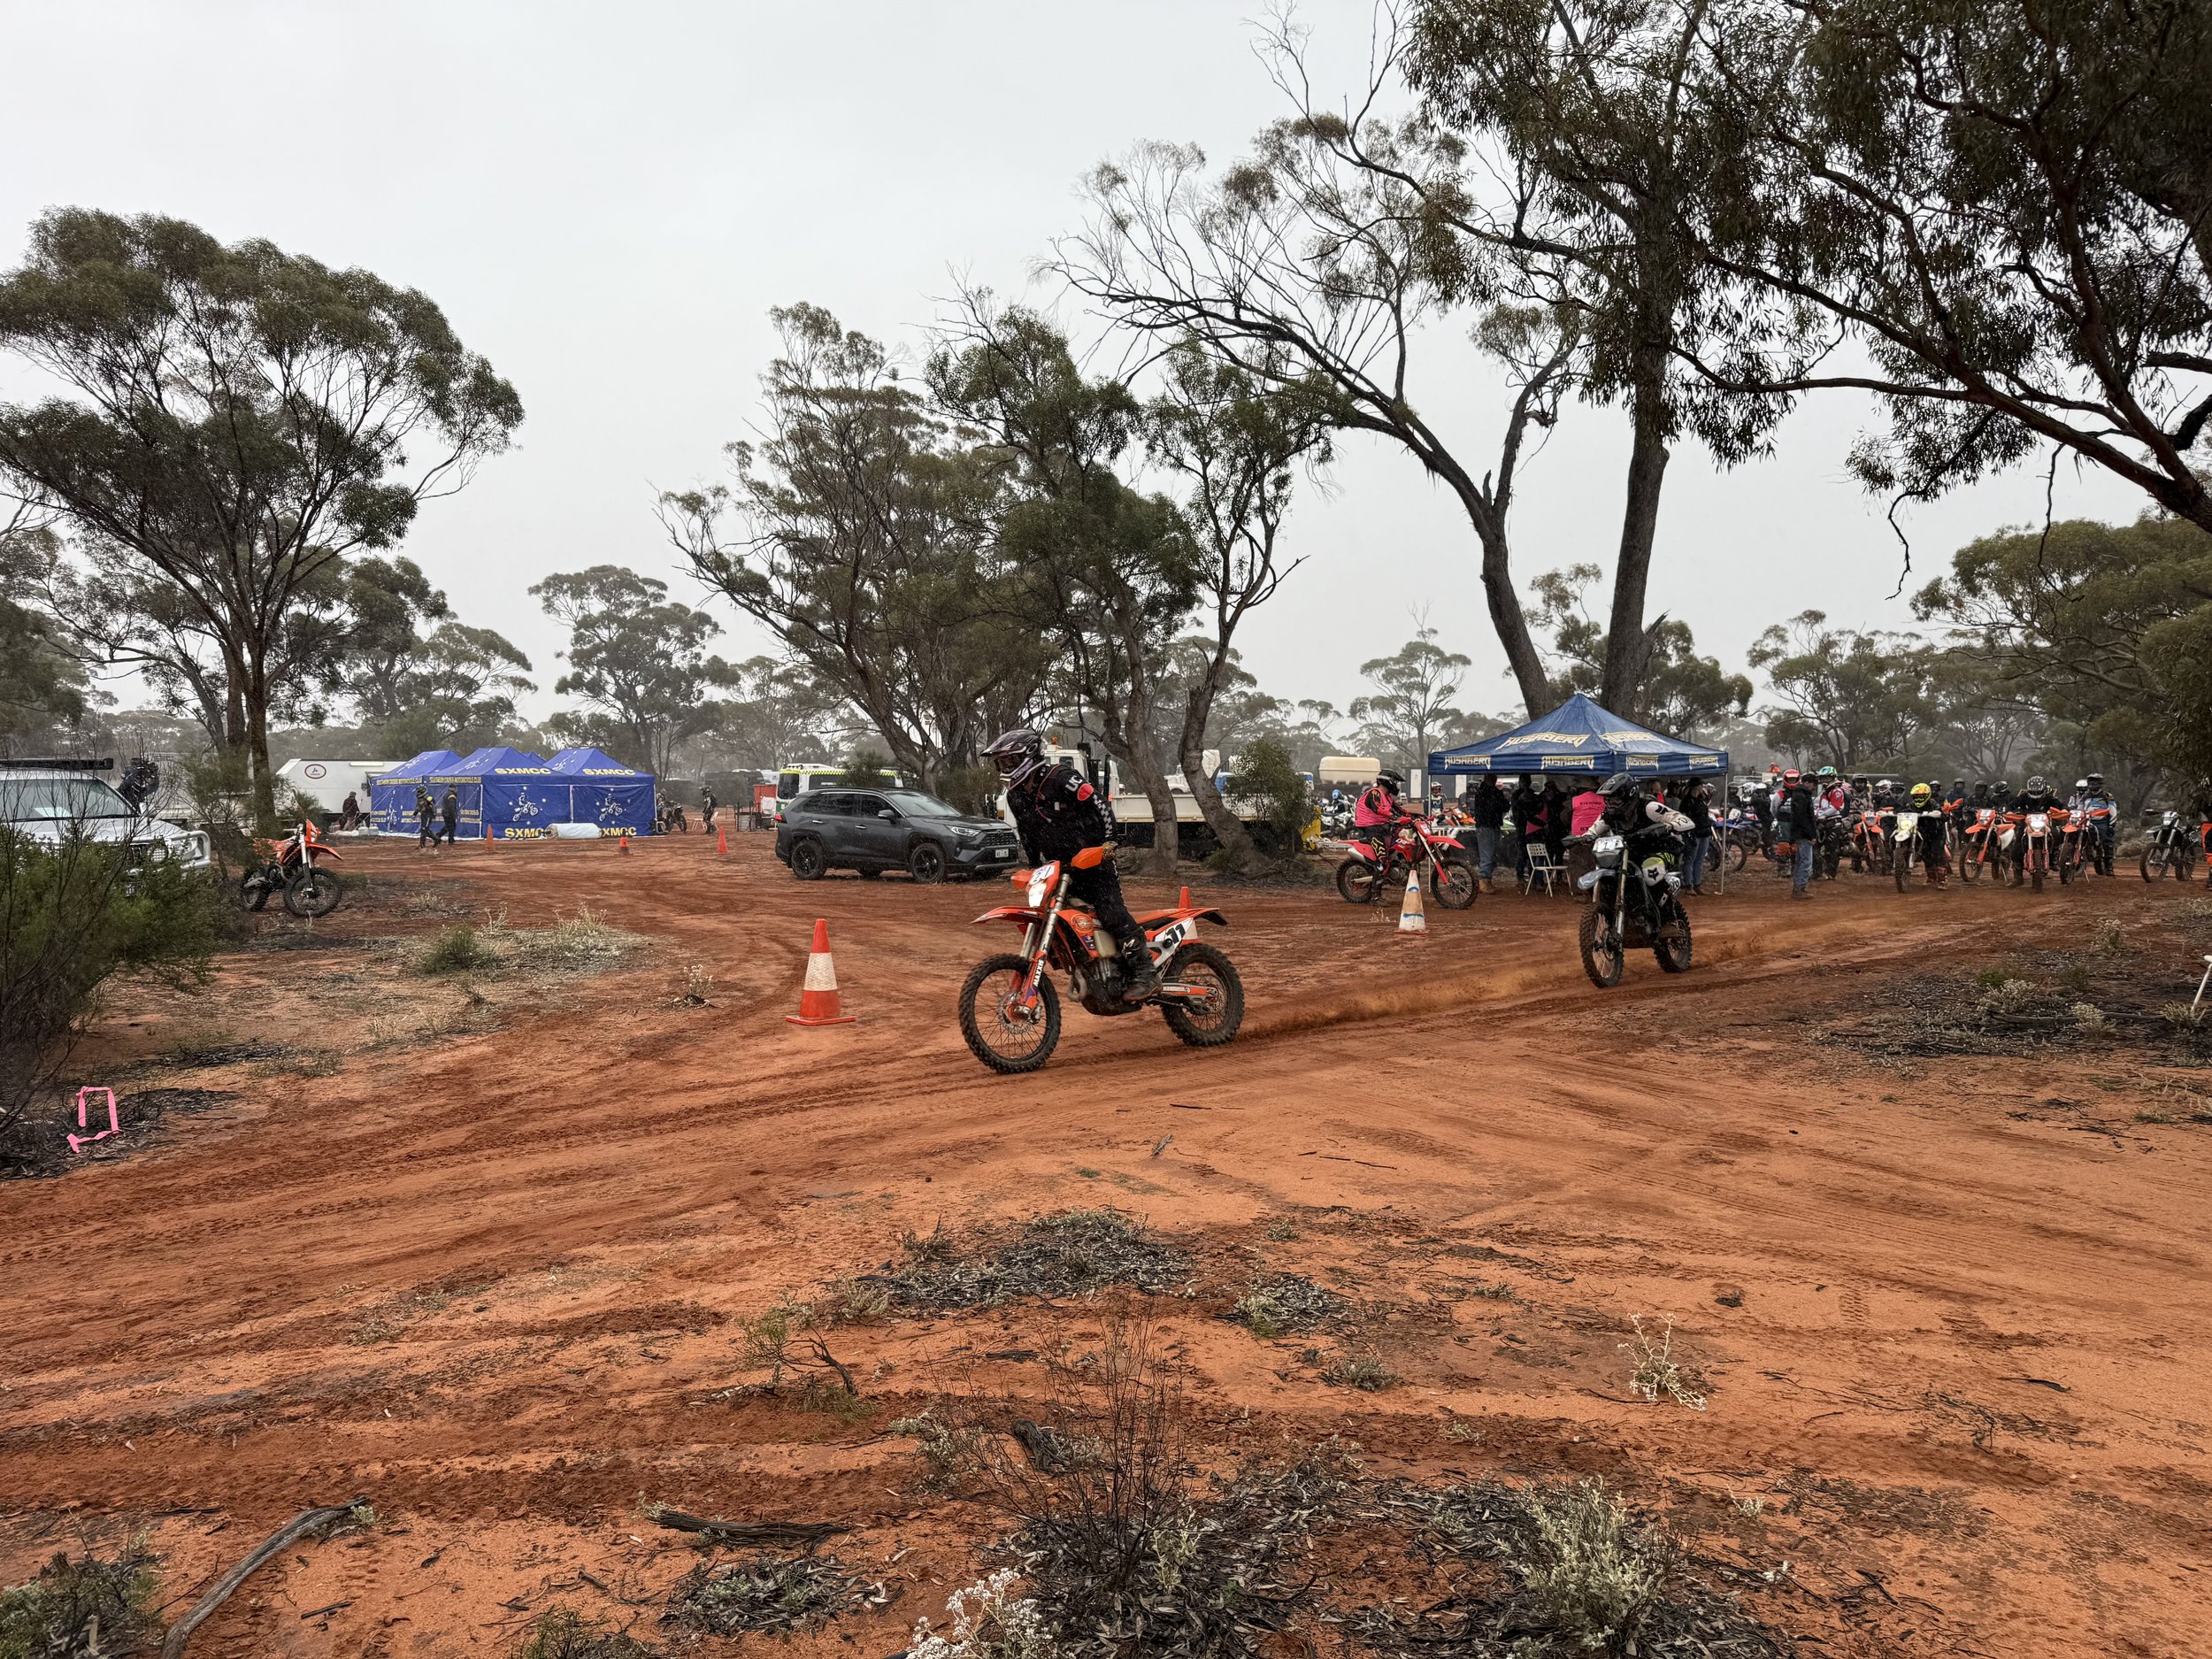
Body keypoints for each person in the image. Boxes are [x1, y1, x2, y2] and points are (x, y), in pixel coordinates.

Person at [983, 727, 1154, 1000]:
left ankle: (1146, 974)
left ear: (1028, 756)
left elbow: (1100, 806)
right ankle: (1094, 970)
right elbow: (1028, 834)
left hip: (1094, 861)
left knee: (1111, 914)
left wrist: (1108, 843)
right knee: (1060, 919)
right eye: (1000, 763)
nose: (1004, 767)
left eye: (1009, 761)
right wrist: (1034, 866)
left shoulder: (1062, 778)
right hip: (1059, 868)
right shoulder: (1015, 795)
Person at [2007, 774, 2060, 885]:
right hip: (2026, 825)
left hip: (2044, 824)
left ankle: (2054, 858)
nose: (2036, 794)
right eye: (2033, 792)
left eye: (2038, 792)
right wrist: (2009, 812)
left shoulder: (2049, 798)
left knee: (2056, 833)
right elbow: (2011, 805)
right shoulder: (2023, 797)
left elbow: (2061, 806)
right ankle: (2018, 878)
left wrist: (2063, 811)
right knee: (2016, 850)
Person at [1783, 770, 1819, 897]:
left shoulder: (1799, 794)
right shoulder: (1801, 796)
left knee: (1800, 860)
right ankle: (1800, 888)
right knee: (1806, 861)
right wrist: (1811, 834)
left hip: (1800, 833)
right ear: (1808, 783)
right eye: (1814, 784)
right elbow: (1804, 818)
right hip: (1803, 834)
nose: (1814, 788)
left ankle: (1798, 887)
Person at [1471, 775, 1509, 894]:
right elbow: (1504, 806)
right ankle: (1484, 880)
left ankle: (1486, 880)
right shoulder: (1491, 793)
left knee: (1489, 853)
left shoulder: (1481, 792)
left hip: (1487, 824)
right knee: (1488, 854)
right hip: (1488, 825)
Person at [1908, 782, 1950, 887]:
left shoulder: (1933, 804)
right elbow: (1902, 812)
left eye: (1921, 797)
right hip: (1922, 833)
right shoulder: (1911, 805)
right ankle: (1931, 878)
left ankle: (1942, 880)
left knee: (1937, 854)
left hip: (1937, 833)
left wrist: (1938, 814)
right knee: (1926, 854)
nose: (1918, 799)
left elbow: (1945, 817)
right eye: (1916, 797)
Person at [1678, 777, 1715, 894]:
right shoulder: (1687, 801)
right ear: (1697, 787)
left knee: (1699, 860)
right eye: (1701, 786)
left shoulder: (1701, 800)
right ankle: (1689, 885)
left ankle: (1697, 884)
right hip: (1694, 833)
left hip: (1704, 833)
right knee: (1691, 859)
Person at [438, 785, 460, 849]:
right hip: (449, 813)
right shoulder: (451, 796)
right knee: (451, 827)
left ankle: (438, 836)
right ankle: (450, 840)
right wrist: (453, 815)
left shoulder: (447, 793)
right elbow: (451, 807)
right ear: (453, 788)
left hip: (445, 812)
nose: (456, 790)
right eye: (456, 788)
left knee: (448, 826)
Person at [416, 787, 437, 851]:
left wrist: (434, 814)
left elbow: (433, 806)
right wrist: (414, 814)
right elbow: (418, 807)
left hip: (428, 815)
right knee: (425, 830)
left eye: (419, 792)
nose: (418, 794)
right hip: (423, 815)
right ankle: (436, 839)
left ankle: (422, 844)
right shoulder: (419, 799)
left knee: (424, 829)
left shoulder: (428, 798)